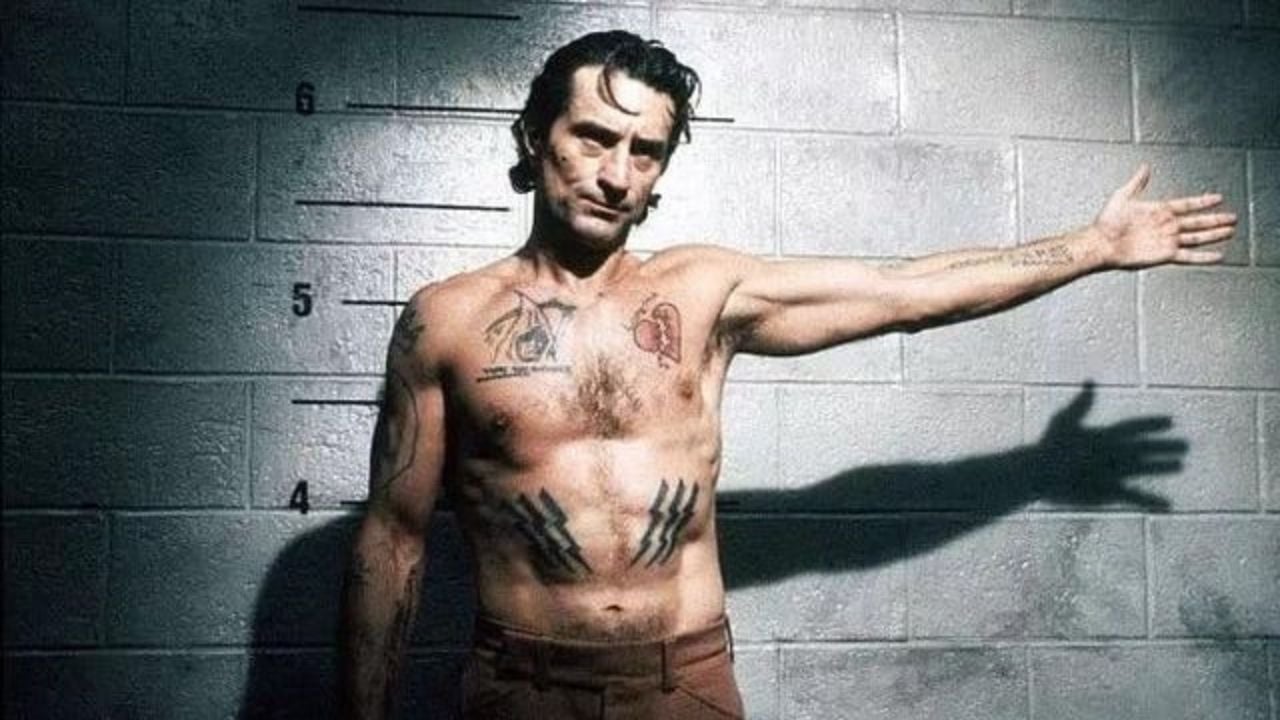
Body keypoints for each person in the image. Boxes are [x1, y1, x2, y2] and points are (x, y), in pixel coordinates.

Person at [338, 30, 1236, 720]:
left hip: (682, 684)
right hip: (520, 689)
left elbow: (903, 291)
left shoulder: (703, 294)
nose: (616, 174)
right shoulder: (446, 320)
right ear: (538, 137)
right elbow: (393, 539)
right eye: (594, 138)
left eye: (645, 152)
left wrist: (1093, 246)